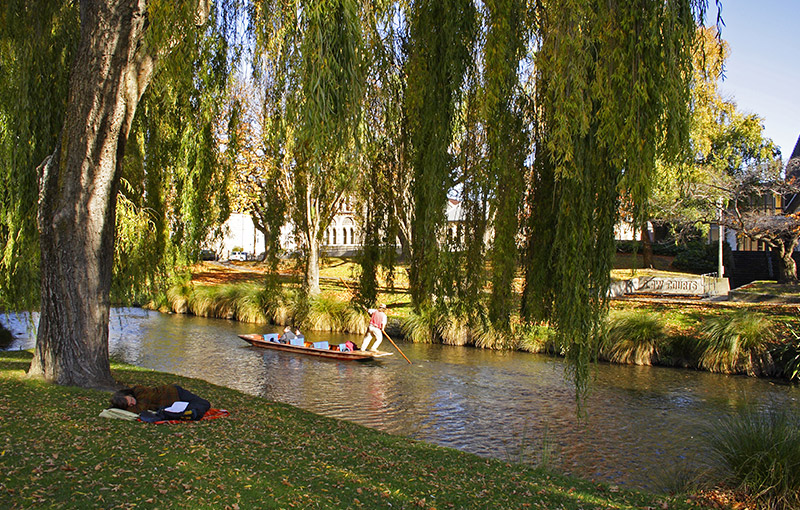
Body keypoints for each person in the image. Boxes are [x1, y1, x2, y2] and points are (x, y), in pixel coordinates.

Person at [110, 384, 210, 420]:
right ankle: (191, 412)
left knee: (205, 404)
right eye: (130, 405)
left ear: (129, 394)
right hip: (173, 404)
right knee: (193, 406)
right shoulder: (136, 400)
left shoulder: (139, 391)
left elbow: (141, 407)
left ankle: (193, 412)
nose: (133, 404)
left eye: (131, 400)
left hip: (175, 393)